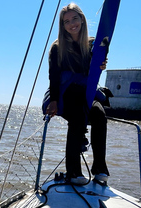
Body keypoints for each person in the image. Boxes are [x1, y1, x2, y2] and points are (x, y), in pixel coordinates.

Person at [46, 3, 110, 185]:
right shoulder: (57, 47)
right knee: (76, 115)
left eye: (75, 18)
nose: (71, 24)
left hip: (87, 91)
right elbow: (54, 76)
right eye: (66, 21)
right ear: (62, 25)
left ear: (82, 19)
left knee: (99, 115)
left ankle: (100, 168)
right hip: (65, 91)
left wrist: (101, 64)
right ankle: (73, 172)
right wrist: (54, 100)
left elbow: (95, 68)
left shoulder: (92, 44)